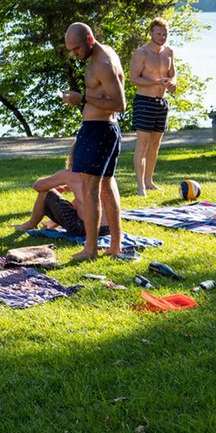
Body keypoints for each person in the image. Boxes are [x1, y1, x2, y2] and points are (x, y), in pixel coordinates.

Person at [61, 22, 127, 262]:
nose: (75, 54)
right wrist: (85, 100)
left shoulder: (103, 63)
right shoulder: (100, 55)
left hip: (101, 130)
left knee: (91, 189)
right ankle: (115, 246)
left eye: (77, 48)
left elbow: (120, 104)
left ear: (89, 40)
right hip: (99, 129)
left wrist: (82, 99)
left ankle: (91, 249)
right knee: (106, 187)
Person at [129, 18, 177, 196]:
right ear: (151, 32)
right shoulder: (141, 53)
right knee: (142, 144)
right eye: (159, 33)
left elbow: (173, 75)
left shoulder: (169, 52)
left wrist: (172, 83)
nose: (162, 37)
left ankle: (149, 181)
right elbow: (134, 78)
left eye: (165, 34)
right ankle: (140, 185)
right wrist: (156, 81)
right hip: (144, 101)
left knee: (156, 143)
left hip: (161, 102)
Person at [17, 166, 109, 238]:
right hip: (108, 229)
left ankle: (30, 224)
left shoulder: (70, 173)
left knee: (45, 192)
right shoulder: (103, 173)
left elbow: (37, 186)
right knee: (87, 202)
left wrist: (55, 184)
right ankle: (52, 223)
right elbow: (85, 204)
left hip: (84, 229)